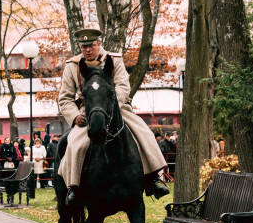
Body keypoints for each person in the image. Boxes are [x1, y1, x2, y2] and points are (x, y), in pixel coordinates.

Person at [58, 28, 169, 205]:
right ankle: (75, 187)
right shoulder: (73, 66)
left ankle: (152, 178)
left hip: (116, 108)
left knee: (144, 133)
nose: (87, 49)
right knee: (75, 144)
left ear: (99, 44)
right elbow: (65, 98)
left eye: (91, 45)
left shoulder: (114, 60)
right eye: (83, 46)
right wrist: (73, 116)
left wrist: (110, 105)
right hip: (86, 113)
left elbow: (123, 87)